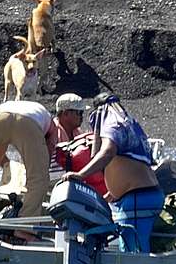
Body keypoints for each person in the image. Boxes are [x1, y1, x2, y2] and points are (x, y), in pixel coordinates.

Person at [62, 93, 164, 253]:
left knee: (133, 252)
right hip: (145, 195)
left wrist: (81, 174)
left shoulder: (112, 123)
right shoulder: (131, 125)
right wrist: (112, 193)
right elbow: (129, 164)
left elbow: (108, 152)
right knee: (137, 245)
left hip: (138, 198)